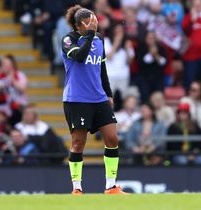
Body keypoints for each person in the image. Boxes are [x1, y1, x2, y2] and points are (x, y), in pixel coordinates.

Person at [61, 5, 127, 195]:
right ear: (80, 25)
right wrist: (89, 35)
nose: (95, 25)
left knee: (112, 138)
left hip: (98, 98)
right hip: (77, 99)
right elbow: (80, 57)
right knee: (78, 143)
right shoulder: (68, 40)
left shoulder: (99, 40)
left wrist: (109, 93)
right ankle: (77, 188)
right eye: (91, 22)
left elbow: (102, 69)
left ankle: (111, 186)